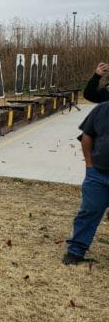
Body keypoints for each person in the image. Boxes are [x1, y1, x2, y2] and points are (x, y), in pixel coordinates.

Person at [63, 99, 109, 264]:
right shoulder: (102, 110)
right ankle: (76, 252)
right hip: (98, 175)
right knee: (88, 212)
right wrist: (89, 165)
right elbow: (87, 135)